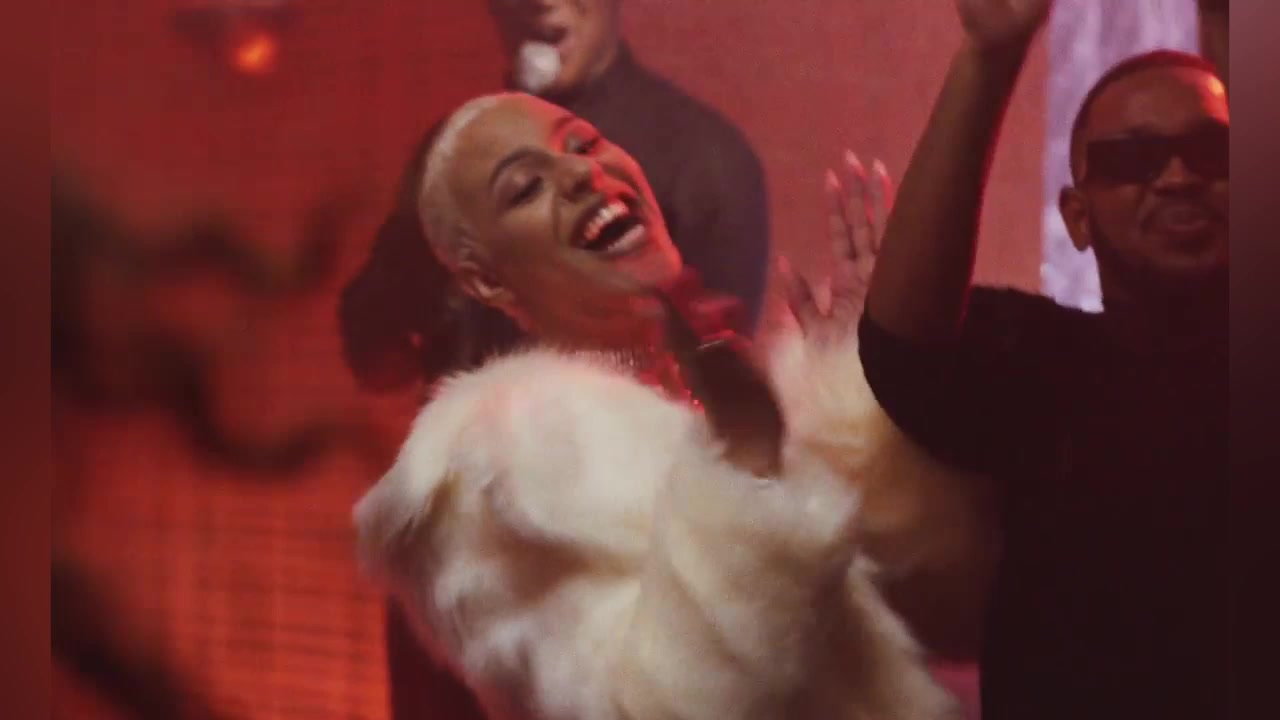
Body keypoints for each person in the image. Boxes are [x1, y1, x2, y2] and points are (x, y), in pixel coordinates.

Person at [351, 91, 968, 720]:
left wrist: (866, 382)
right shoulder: (495, 481)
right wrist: (744, 468)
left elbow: (947, 611)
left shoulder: (731, 394)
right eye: (526, 188)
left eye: (585, 144)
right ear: (486, 279)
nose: (580, 174)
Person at [829, 0, 1228, 717]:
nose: (1178, 177)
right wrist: (990, 58)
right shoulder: (1046, 366)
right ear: (1077, 216)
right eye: (1135, 159)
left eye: (1212, 152)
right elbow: (907, 359)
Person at [340, 0, 770, 393]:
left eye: (585, 147)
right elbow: (376, 354)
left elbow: (722, 390)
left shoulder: (705, 158)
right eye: (526, 187)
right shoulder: (447, 165)